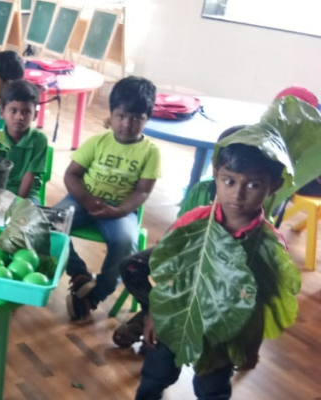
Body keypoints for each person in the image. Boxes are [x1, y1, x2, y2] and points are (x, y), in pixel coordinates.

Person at [131, 139, 286, 400]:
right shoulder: (193, 221)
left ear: (274, 186)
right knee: (155, 374)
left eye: (254, 185)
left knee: (212, 388)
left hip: (224, 332)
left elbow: (262, 304)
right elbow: (169, 271)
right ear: (215, 175)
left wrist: (251, 345)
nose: (238, 194)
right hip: (177, 317)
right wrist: (155, 314)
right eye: (229, 181)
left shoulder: (270, 245)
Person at [112, 125, 245, 348]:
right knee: (131, 266)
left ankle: (157, 322)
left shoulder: (250, 201)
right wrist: (169, 243)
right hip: (183, 251)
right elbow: (182, 221)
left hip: (217, 269)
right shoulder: (202, 190)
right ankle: (152, 313)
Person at [55, 76, 161, 321]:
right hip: (82, 200)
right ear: (111, 114)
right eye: (121, 116)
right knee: (48, 223)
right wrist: (86, 199)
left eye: (136, 118)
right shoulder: (97, 142)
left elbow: (142, 192)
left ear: (147, 118)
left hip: (120, 210)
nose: (127, 124)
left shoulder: (151, 152)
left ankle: (95, 295)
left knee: (125, 242)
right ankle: (79, 274)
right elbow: (71, 175)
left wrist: (119, 210)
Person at [0, 80, 48, 204]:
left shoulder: (39, 140)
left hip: (28, 195)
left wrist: (18, 203)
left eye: (26, 112)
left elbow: (29, 175)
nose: (20, 117)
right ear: (2, 113)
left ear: (35, 115)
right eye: (13, 111)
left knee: (28, 213)